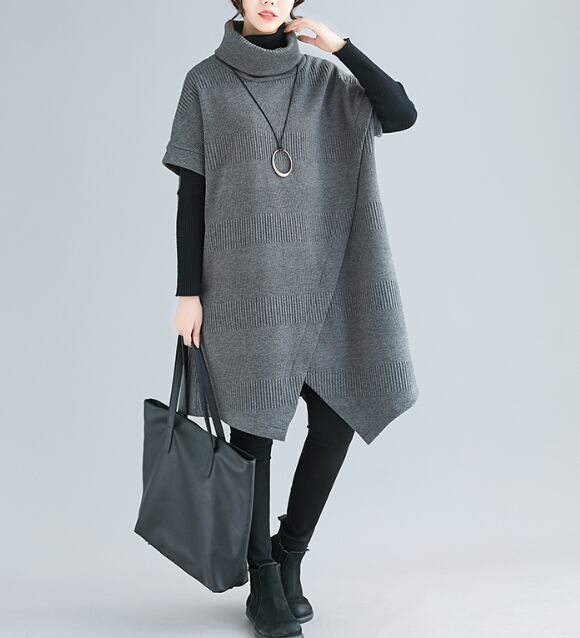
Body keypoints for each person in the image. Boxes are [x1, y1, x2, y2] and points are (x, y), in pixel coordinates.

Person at [163, 2, 419, 637]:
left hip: (329, 283)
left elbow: (400, 113)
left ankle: (289, 554)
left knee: (336, 417)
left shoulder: (326, 79)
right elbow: (191, 193)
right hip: (246, 288)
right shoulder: (205, 83)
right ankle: (263, 581)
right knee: (251, 431)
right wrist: (188, 292)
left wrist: (340, 47)